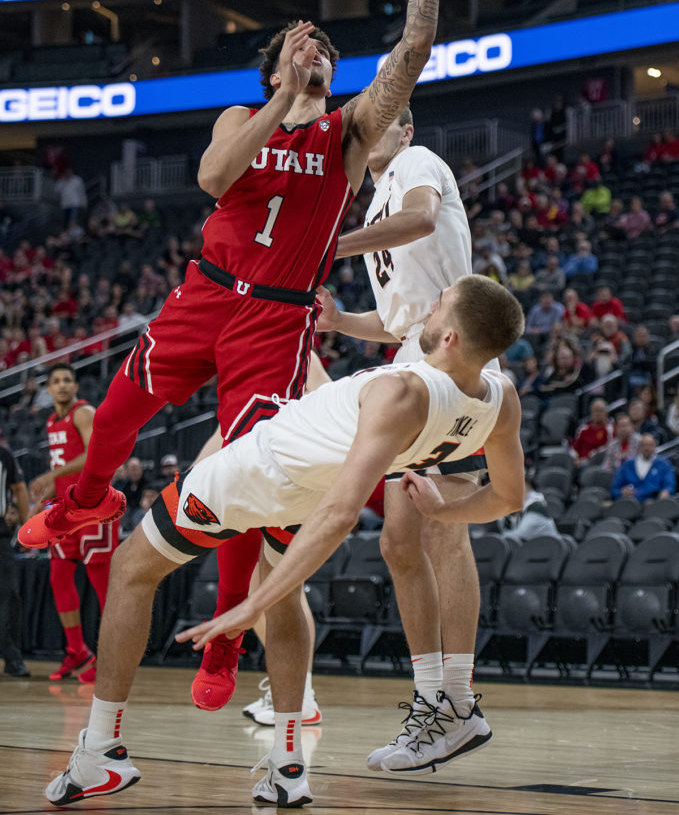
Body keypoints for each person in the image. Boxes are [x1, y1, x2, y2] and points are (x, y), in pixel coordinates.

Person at [20, 0, 464, 720]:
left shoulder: (349, 133)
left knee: (238, 472)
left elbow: (412, 53)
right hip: (207, 292)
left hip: (278, 316)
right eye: (304, 45)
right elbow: (215, 179)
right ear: (275, 68)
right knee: (116, 411)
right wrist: (280, 97)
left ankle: (226, 639)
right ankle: (86, 498)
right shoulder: (241, 118)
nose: (318, 52)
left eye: (325, 47)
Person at [43, 276, 526, 807]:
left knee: (132, 565)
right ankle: (287, 767)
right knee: (286, 590)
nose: (426, 313)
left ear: (451, 336)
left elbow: (345, 514)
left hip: (252, 475)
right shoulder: (501, 399)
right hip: (305, 493)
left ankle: (100, 753)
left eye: (437, 308)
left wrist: (249, 608)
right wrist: (444, 508)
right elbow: (508, 498)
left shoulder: (403, 391)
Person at [315, 106, 500, 774]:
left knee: (440, 531)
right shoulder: (370, 212)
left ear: (407, 130)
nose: (379, 132)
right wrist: (340, 321)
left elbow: (422, 220)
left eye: (391, 121)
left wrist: (322, 247)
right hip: (412, 365)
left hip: (456, 366)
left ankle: (455, 703)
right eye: (369, 127)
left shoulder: (415, 168)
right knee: (397, 540)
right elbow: (397, 319)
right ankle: (436, 703)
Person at [28, 364, 119, 683]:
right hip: (67, 507)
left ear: (76, 386)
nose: (62, 385)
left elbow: (96, 452)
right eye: (56, 381)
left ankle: (111, 657)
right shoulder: (53, 420)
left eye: (67, 380)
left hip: (94, 505)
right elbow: (63, 471)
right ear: (48, 389)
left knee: (102, 584)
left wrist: (52, 476)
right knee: (58, 577)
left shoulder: (83, 412)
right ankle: (77, 650)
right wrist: (40, 503)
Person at [0, 431, 30, 677]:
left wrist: (28, 529)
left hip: (0, 536)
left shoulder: (5, 455)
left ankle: (12, 658)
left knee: (10, 595)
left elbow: (20, 490)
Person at [611, 434, 676, 501]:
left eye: (650, 445)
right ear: (639, 447)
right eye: (644, 445)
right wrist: (621, 492)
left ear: (655, 447)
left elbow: (669, 484)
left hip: (655, 502)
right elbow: (615, 489)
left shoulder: (664, 464)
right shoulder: (627, 464)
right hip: (631, 502)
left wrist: (666, 492)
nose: (647, 448)